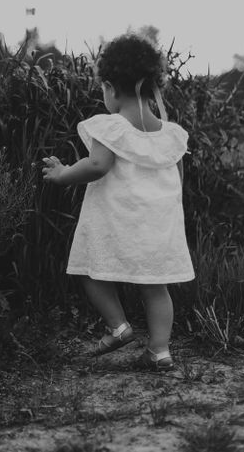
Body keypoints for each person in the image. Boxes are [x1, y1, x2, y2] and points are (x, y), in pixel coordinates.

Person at [41, 34, 194, 369]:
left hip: (116, 224)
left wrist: (63, 173)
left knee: (90, 272)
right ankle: (160, 350)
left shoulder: (111, 127)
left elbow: (97, 166)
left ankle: (119, 326)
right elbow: (178, 180)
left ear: (110, 87)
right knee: (156, 288)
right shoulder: (172, 136)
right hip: (157, 228)